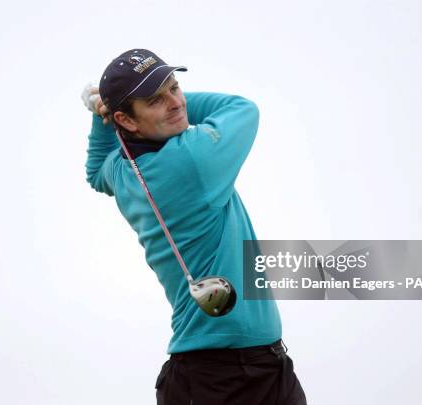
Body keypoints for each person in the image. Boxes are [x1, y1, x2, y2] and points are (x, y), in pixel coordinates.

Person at [83, 49, 307, 405]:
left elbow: (96, 172)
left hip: (248, 370)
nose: (175, 102)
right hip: (222, 379)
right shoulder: (192, 158)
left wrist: (104, 118)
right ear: (127, 120)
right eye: (156, 100)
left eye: (175, 87)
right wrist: (118, 113)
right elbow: (241, 109)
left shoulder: (123, 172)